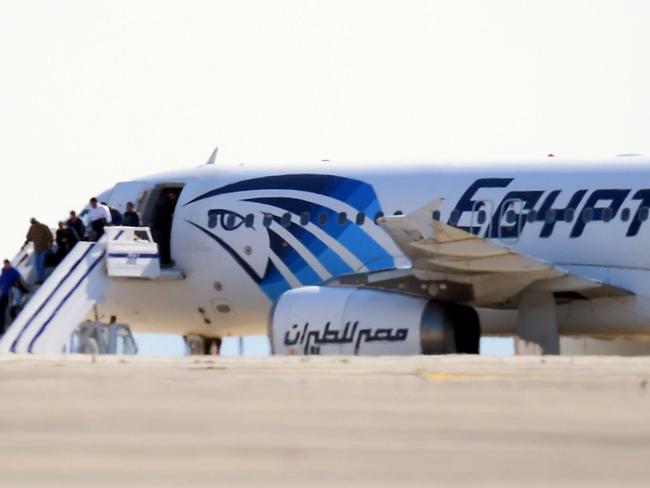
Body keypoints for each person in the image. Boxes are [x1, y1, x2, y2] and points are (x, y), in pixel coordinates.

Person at [151, 191, 177, 266]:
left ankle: (163, 260)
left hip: (162, 228)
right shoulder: (165, 206)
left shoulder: (163, 206)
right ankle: (164, 260)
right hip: (162, 229)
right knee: (163, 245)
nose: (171, 196)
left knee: (162, 246)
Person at [24, 218, 54, 284]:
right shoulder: (32, 229)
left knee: (41, 264)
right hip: (37, 250)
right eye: (32, 223)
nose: (33, 223)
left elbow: (50, 236)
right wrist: (30, 230)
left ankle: (41, 279)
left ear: (36, 221)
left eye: (34, 222)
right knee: (37, 265)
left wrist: (50, 244)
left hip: (44, 248)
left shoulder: (43, 227)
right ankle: (39, 278)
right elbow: (28, 237)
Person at [0, 260, 22, 334]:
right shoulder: (3, 273)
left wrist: (16, 283)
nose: (6, 265)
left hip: (11, 293)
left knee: (12, 307)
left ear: (10, 264)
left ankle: (16, 324)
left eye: (7, 264)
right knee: (1, 311)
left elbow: (19, 278)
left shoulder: (13, 271)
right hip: (4, 295)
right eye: (5, 264)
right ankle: (1, 328)